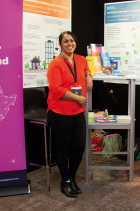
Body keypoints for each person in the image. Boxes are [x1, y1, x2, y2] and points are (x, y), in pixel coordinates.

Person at [46, 31, 93, 198]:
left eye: (71, 40)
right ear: (60, 45)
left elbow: (86, 69)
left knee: (79, 146)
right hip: (60, 111)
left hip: (77, 111)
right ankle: (65, 181)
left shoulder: (81, 59)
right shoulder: (55, 64)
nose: (69, 43)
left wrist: (89, 76)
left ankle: (71, 177)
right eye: (65, 41)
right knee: (63, 148)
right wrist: (77, 98)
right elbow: (56, 89)